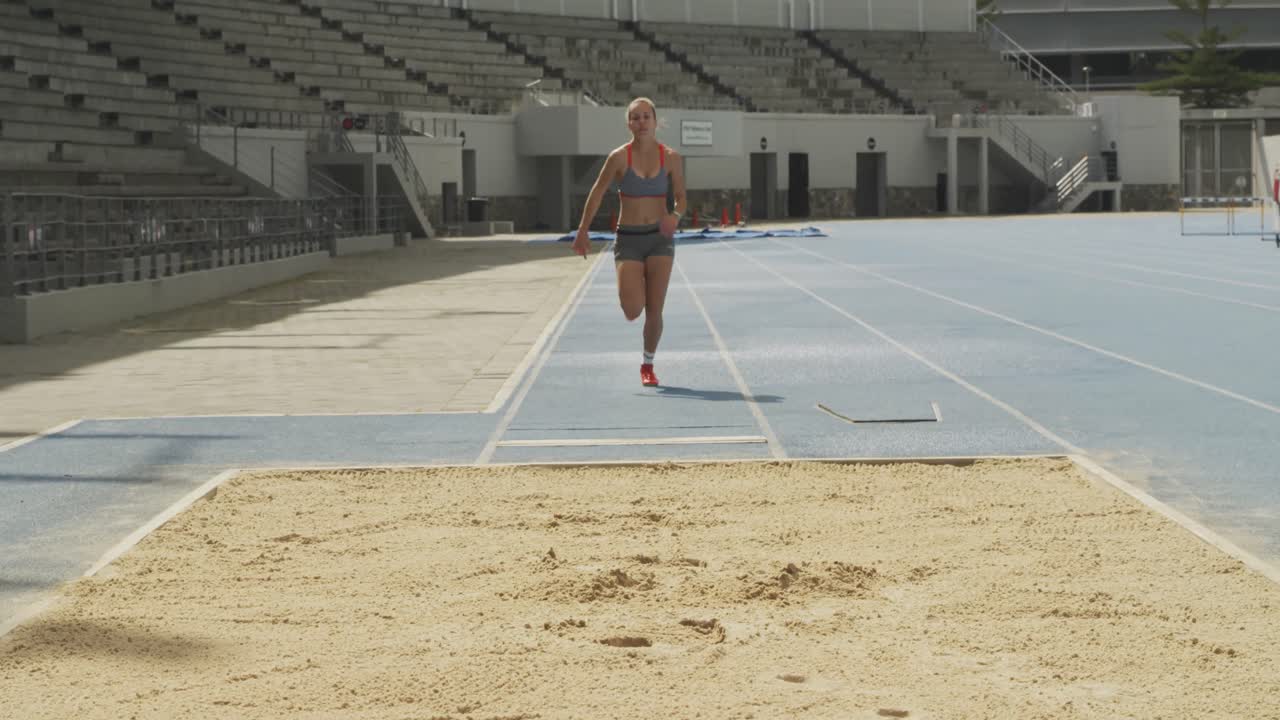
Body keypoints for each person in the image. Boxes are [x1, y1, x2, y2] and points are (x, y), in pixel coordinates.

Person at [573, 97, 686, 387]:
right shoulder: (619, 157)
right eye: (635, 118)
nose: (641, 122)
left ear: (655, 120)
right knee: (632, 309)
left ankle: (647, 365)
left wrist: (675, 215)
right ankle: (634, 286)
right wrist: (583, 230)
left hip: (660, 240)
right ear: (629, 124)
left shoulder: (670, 157)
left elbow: (682, 198)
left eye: (646, 116)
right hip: (629, 239)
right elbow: (597, 193)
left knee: (655, 309)